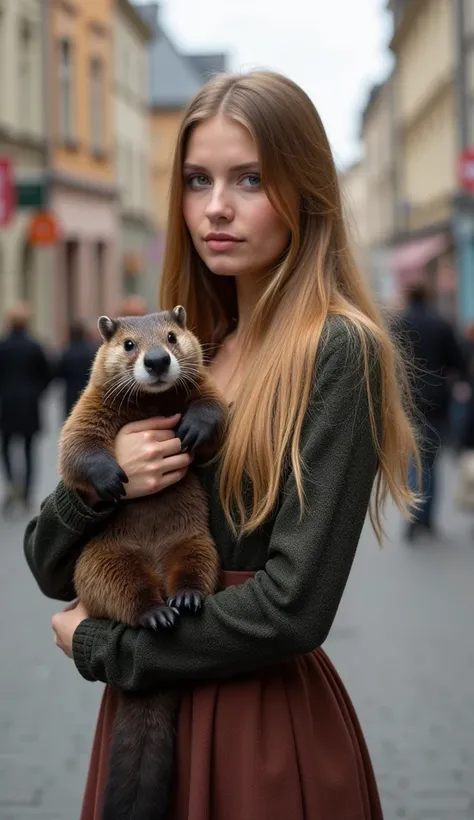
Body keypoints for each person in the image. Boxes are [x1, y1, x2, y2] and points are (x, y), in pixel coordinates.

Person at [24, 71, 419, 819]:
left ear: (305, 190)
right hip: (152, 718)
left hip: (256, 725)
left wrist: (108, 650)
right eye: (197, 180)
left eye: (249, 179)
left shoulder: (336, 349)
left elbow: (293, 607)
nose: (216, 208)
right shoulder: (193, 355)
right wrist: (116, 484)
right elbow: (49, 566)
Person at [395, 282, 467, 541]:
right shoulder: (441, 324)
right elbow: (458, 362)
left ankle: (415, 514)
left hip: (406, 402)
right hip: (436, 402)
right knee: (430, 461)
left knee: (413, 459)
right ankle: (426, 519)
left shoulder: (398, 325)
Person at [0, 302, 52, 511]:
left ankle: (13, 484)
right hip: (30, 405)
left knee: (6, 447)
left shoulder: (2, 346)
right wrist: (36, 392)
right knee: (29, 448)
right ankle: (27, 492)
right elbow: (48, 374)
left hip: (6, 405)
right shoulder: (35, 346)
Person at [56, 321, 99, 419]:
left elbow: (59, 373)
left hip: (71, 392)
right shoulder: (91, 352)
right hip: (88, 390)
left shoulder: (67, 352)